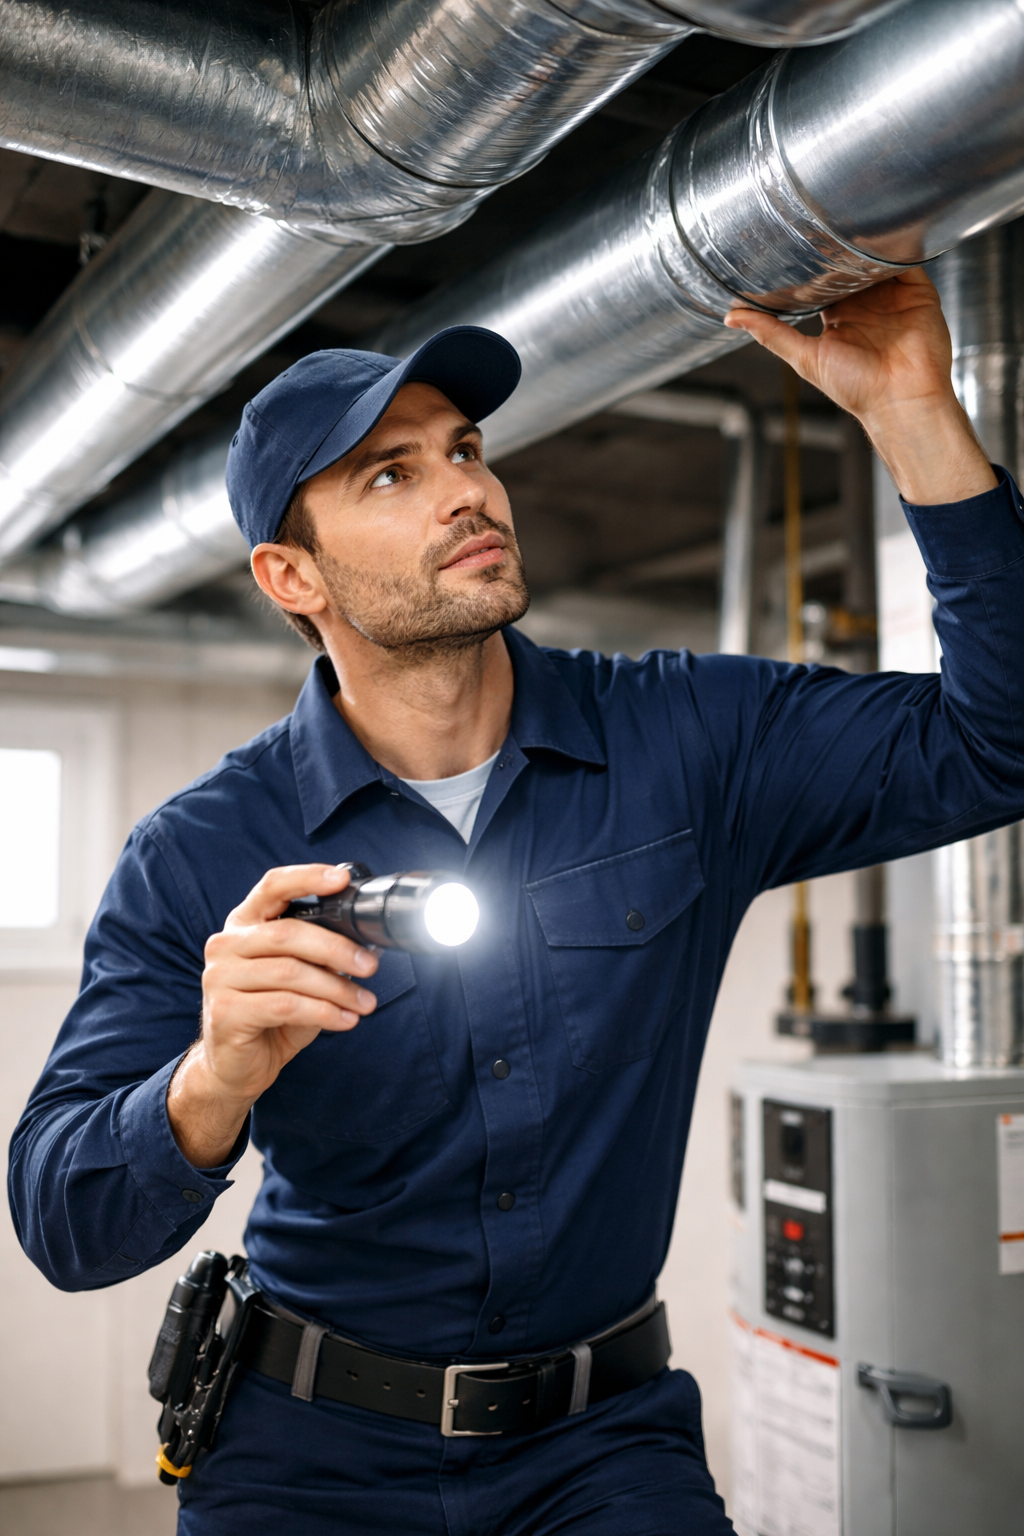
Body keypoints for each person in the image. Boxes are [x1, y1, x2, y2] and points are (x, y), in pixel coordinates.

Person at [9, 270, 1024, 1536]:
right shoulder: (206, 853)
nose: (468, 490)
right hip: (304, 1459)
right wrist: (210, 1083)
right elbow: (62, 1220)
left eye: (465, 450)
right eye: (390, 475)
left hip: (603, 1453)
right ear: (292, 576)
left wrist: (916, 416)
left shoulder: (683, 742)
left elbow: (1000, 742)